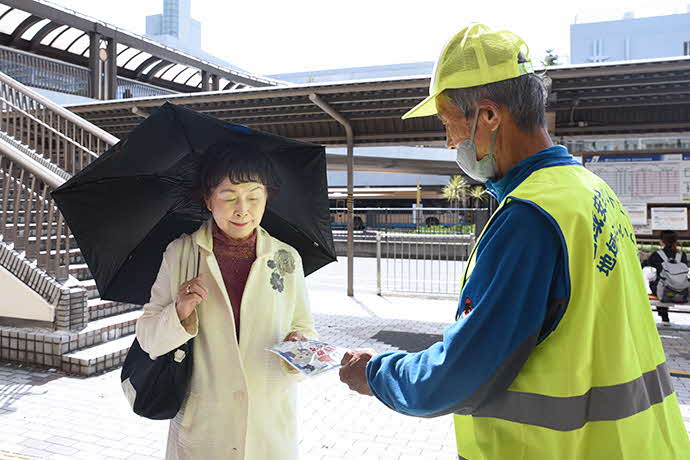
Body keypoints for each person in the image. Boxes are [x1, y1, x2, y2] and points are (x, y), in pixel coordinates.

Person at [339, 23, 689, 459]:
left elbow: (457, 376)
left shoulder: (530, 217)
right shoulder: (591, 190)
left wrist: (375, 373)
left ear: (488, 115)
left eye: (449, 125)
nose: (449, 143)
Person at [135, 145, 317, 460]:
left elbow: (305, 329)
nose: (242, 210)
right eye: (229, 196)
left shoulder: (287, 258)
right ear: (208, 199)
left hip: (269, 427)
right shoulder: (181, 253)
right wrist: (179, 313)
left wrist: (299, 348)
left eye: (254, 197)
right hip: (204, 428)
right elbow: (148, 338)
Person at [643, 230, 689, 323]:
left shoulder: (657, 255)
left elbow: (645, 265)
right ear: (676, 241)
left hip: (664, 292)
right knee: (662, 282)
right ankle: (664, 317)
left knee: (657, 282)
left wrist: (645, 259)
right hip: (682, 290)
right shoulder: (682, 255)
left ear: (662, 241)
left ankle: (664, 317)